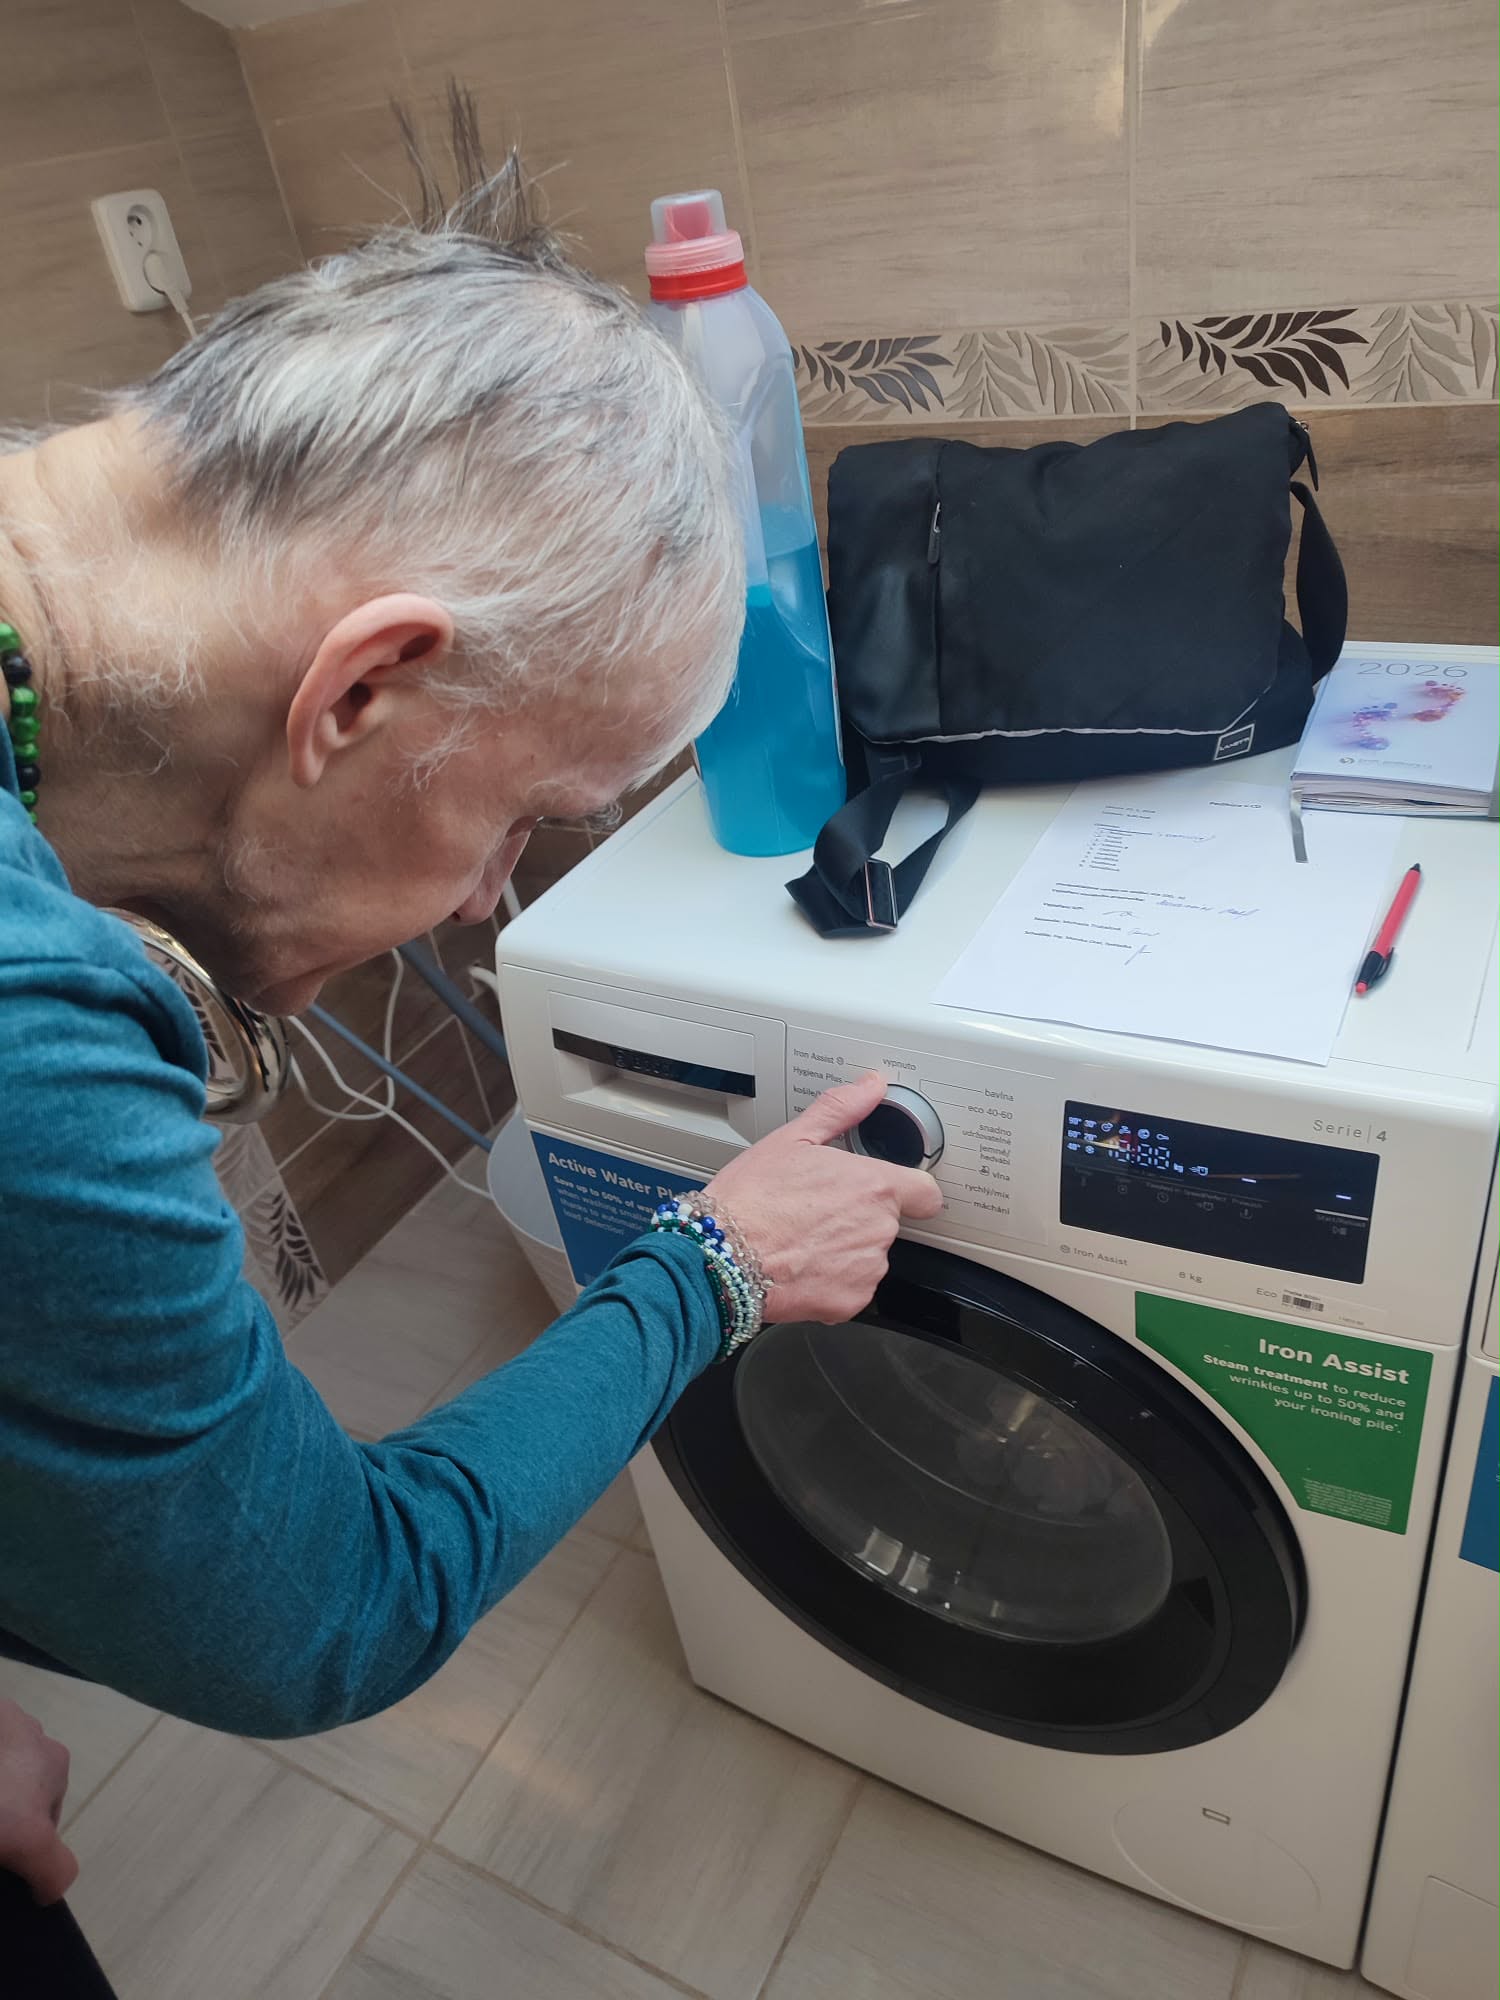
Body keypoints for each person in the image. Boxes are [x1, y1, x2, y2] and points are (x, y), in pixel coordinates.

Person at [0, 117, 941, 1844]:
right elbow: (322, 1611)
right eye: (525, 820)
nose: (484, 904)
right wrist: (713, 1271)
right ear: (364, 689)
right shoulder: (27, 1027)